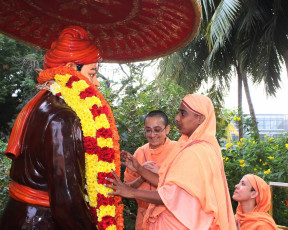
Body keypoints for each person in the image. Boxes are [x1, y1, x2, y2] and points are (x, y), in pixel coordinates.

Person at [0, 26, 123, 230]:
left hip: (19, 216)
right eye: (92, 73)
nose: (97, 82)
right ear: (70, 68)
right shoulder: (62, 117)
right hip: (41, 222)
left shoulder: (42, 105)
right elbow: (66, 201)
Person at [106, 94, 237, 229]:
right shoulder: (197, 147)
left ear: (200, 118)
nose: (177, 118)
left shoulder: (196, 152)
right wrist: (139, 169)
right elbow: (168, 186)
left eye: (183, 113)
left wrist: (130, 192)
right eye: (178, 113)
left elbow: (171, 195)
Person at [123, 110, 177, 230]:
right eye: (148, 130)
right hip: (143, 217)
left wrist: (159, 173)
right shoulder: (139, 152)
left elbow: (179, 191)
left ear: (167, 129)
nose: (152, 135)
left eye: (157, 130)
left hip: (170, 218)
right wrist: (142, 177)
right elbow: (127, 188)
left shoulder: (177, 150)